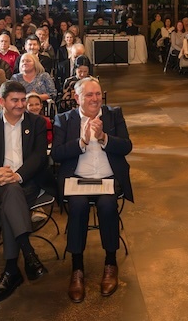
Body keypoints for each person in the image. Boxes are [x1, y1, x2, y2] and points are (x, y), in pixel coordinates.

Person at [51, 77, 133, 303]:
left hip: (107, 178)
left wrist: (104, 138)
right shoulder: (64, 119)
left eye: (98, 94)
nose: (95, 99)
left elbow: (127, 146)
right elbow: (56, 154)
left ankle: (110, 263)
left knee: (107, 206)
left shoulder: (113, 115)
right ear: (77, 98)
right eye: (89, 95)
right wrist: (82, 142)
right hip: (78, 180)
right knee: (77, 208)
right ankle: (77, 268)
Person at [0, 81, 51, 304]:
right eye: (15, 100)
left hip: (28, 181)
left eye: (23, 100)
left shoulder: (36, 122)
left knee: (11, 199)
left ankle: (11, 271)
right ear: (2, 102)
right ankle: (28, 254)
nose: (20, 105)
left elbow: (39, 157)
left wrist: (17, 175)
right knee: (10, 193)